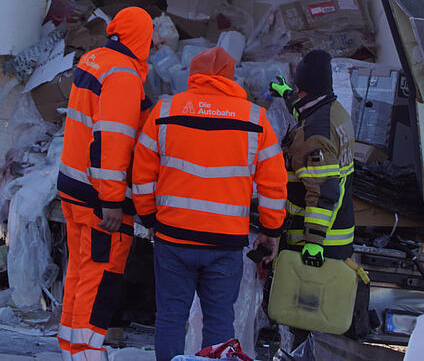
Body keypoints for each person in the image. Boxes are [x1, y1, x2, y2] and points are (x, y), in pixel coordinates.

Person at [132, 46, 288, 361]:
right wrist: (271, 230)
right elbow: (274, 184)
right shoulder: (256, 120)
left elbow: (142, 173)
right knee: (219, 320)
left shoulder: (165, 111)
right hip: (224, 243)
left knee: (171, 316)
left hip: (173, 237)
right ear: (232, 78)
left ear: (193, 75)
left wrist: (149, 218)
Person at [57, 6, 154, 360]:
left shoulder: (95, 60)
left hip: (74, 186)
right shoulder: (124, 76)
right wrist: (112, 202)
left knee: (80, 272)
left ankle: (70, 347)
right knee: (100, 277)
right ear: (141, 38)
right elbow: (112, 141)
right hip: (100, 198)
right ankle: (86, 351)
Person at [271, 49, 355, 267]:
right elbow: (305, 112)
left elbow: (322, 191)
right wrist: (286, 94)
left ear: (303, 87)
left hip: (319, 242)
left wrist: (314, 241)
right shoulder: (333, 110)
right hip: (337, 229)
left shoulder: (316, 135)